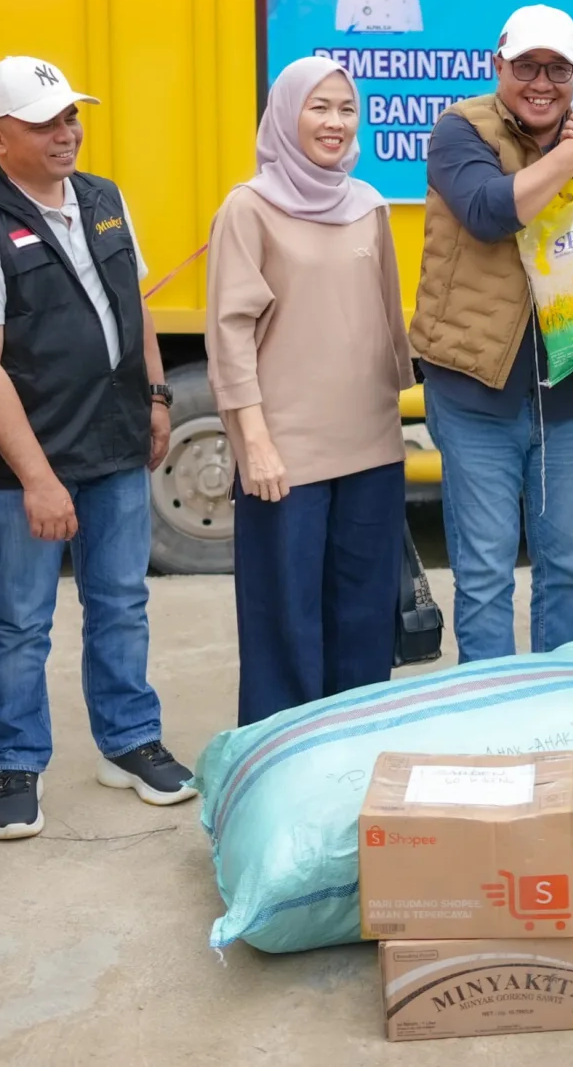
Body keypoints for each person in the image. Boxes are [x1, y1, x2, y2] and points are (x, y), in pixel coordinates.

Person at [0, 56, 193, 840]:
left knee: (122, 602)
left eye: (71, 116)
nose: (66, 132)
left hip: (114, 443)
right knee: (21, 618)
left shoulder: (104, 199)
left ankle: (129, 741)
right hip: (26, 467)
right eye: (45, 122)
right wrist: (39, 480)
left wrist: (154, 396)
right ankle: (15, 764)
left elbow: (135, 307)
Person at [411, 4, 573, 662]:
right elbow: (490, 212)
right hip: (476, 396)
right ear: (497, 65)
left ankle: (559, 707)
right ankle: (491, 720)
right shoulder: (458, 130)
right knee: (483, 576)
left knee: (566, 570)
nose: (542, 82)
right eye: (526, 65)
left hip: (566, 395)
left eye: (557, 68)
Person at [208, 57, 412, 722]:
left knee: (363, 619)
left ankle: (356, 754)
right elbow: (230, 334)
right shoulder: (249, 208)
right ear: (286, 114)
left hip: (371, 446)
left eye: (346, 108)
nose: (334, 122)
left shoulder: (368, 206)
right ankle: (282, 764)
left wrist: (401, 414)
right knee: (284, 623)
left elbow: (387, 320)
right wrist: (254, 442)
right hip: (286, 454)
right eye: (318, 106)